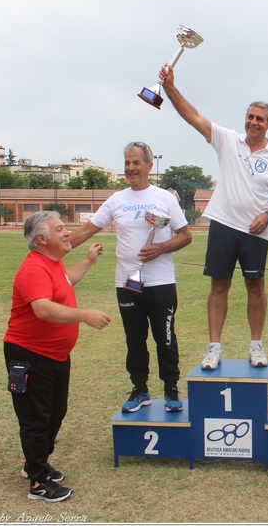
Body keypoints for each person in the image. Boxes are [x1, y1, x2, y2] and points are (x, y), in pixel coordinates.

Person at [159, 63, 268, 370]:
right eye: (250, 117)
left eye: (260, 119)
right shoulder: (228, 139)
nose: (253, 123)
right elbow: (193, 117)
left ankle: (256, 345)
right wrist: (170, 88)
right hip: (222, 225)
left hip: (255, 232)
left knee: (255, 287)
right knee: (219, 286)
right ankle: (214, 347)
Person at [69, 142, 192, 413]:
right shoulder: (117, 200)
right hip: (128, 282)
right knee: (135, 339)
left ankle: (171, 389)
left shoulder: (165, 198)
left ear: (149, 166)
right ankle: (140, 390)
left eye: (136, 163)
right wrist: (56, 249)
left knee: (165, 337)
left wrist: (160, 248)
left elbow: (185, 235)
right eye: (127, 163)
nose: (130, 168)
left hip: (160, 281)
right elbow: (87, 230)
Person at [5, 211, 111, 502]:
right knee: (36, 419)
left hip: (54, 356)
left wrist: (88, 260)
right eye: (60, 229)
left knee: (55, 412)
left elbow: (65, 282)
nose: (68, 233)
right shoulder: (33, 269)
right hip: (29, 356)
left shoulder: (52, 264)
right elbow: (44, 309)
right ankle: (38, 483)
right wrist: (84, 315)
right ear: (42, 239)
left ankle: (35, 464)